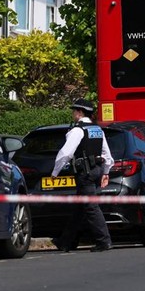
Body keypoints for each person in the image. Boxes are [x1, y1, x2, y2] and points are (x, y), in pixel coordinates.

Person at [51, 98, 115, 252]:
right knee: (80, 208)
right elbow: (107, 153)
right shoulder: (97, 130)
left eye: (74, 111)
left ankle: (104, 241)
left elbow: (66, 153)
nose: (73, 114)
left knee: (91, 207)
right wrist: (106, 171)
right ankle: (65, 242)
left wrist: (55, 172)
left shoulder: (78, 130)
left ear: (79, 112)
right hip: (96, 170)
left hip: (85, 173)